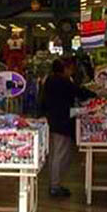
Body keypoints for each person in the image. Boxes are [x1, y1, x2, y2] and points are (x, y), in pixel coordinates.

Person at [40, 58, 94, 198]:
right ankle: (55, 186)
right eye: (70, 68)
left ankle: (55, 183)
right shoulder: (62, 81)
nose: (72, 71)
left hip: (53, 119)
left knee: (55, 154)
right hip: (61, 121)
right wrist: (96, 95)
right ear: (64, 69)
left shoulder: (50, 80)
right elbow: (78, 92)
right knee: (60, 154)